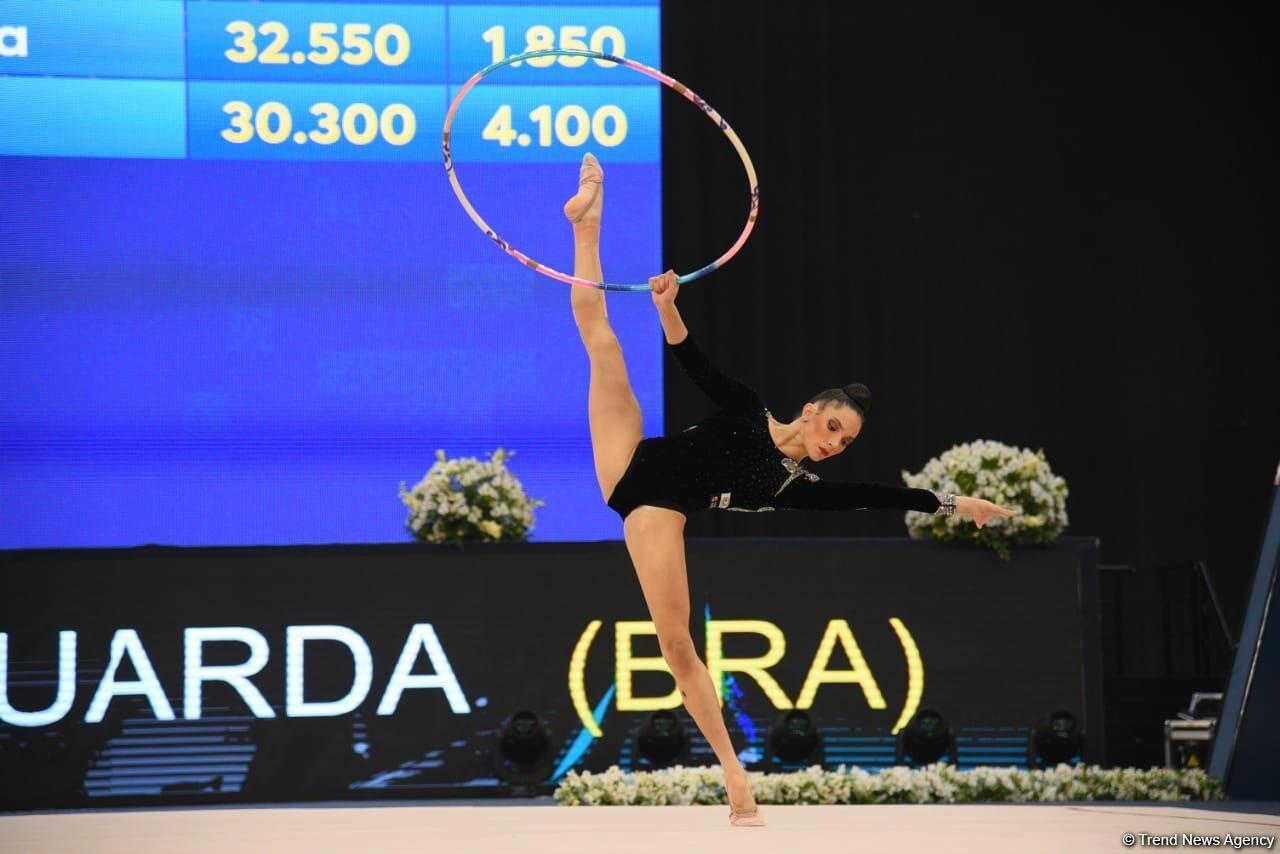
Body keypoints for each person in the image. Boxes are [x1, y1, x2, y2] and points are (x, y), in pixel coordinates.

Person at [563, 152, 1018, 827]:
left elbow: (877, 496)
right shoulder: (749, 408)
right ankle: (587, 220)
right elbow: (694, 363)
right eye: (833, 427)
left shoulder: (793, 487)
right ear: (811, 410)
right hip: (635, 455)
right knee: (601, 341)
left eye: (845, 441)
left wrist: (953, 502)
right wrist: (667, 306)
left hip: (655, 507)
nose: (835, 443)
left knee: (678, 645)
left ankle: (733, 776)